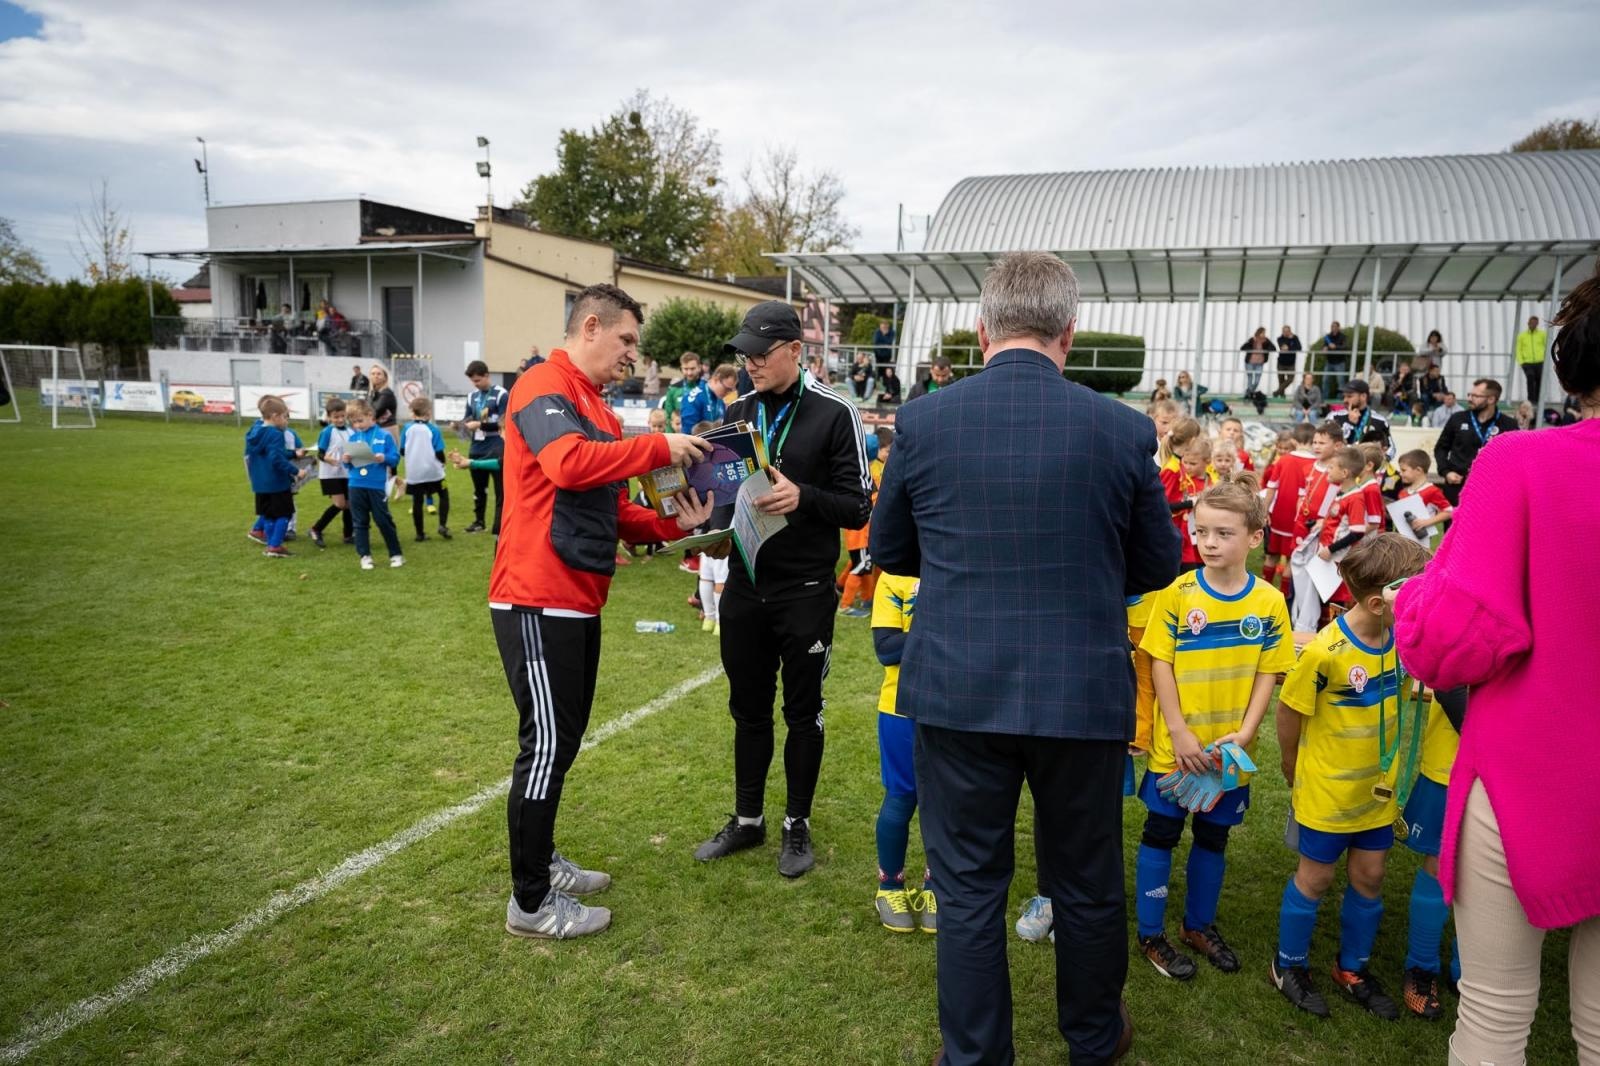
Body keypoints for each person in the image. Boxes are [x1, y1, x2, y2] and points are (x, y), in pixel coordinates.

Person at [871, 251, 1179, 1065]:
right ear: (1068, 334)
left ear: (983, 332)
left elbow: (891, 551)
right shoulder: (1119, 428)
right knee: (1084, 878)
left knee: (970, 886)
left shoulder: (927, 421)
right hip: (1076, 688)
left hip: (961, 686)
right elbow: (1156, 562)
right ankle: (1093, 1037)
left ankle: (980, 1055)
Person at [1393, 270, 1600, 1064]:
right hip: (1539, 772)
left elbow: (1451, 641)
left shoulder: (1523, 461)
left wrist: (1418, 593)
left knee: (1493, 1017)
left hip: (1530, 776)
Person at [492, 284, 715, 941]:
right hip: (536, 595)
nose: (631, 355)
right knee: (544, 747)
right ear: (591, 326)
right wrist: (659, 447)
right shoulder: (542, 384)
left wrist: (677, 525)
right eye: (626, 340)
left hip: (579, 599)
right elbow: (566, 465)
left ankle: (542, 861)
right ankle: (530, 903)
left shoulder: (601, 410)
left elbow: (614, 511)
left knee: (560, 745)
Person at [693, 301, 873, 879]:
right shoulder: (737, 411)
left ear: (796, 350)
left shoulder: (836, 413)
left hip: (805, 589)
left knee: (802, 712)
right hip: (745, 587)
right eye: (743, 354)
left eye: (760, 353)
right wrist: (712, 531)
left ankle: (797, 823)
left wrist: (804, 497)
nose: (750, 363)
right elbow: (725, 494)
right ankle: (748, 819)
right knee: (747, 710)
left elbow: (859, 505)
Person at [1133, 477, 1294, 982]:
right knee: (1161, 832)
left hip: (1227, 752)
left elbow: (1269, 672)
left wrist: (1245, 733)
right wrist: (1179, 730)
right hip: (1176, 748)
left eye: (1223, 533)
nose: (1208, 542)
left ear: (1254, 537)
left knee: (1213, 836)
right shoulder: (1178, 593)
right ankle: (1150, 932)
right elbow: (1159, 662)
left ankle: (1197, 925)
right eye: (1201, 531)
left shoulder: (1269, 601)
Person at [1271, 533, 1431, 1020]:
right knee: (1316, 878)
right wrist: (1291, 764)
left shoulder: (1403, 639)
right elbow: (1289, 711)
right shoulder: (1325, 652)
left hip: (1376, 793)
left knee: (1371, 875)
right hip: (1328, 793)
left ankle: (1352, 967)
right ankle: (1288, 964)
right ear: (1380, 603)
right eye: (1418, 593)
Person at [870, 570, 936, 934]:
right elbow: (886, 649)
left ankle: (936, 886)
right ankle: (890, 886)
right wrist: (942, 627)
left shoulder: (963, 563)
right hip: (900, 708)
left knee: (944, 800)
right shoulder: (893, 578)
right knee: (901, 796)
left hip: (954, 707)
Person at [1287, 423, 1344, 634]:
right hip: (1302, 528)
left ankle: (1308, 625)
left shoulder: (1338, 473)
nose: (1316, 446)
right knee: (1298, 571)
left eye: (1322, 443)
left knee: (1315, 577)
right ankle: (1297, 618)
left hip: (1321, 532)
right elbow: (1303, 496)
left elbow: (1337, 504)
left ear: (1337, 446)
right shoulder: (1309, 467)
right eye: (1314, 442)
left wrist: (1324, 523)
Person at [1432, 378, 1518, 506]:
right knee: (1454, 519)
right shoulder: (1458, 419)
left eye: (1476, 396)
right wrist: (1446, 472)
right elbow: (1441, 448)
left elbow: (1515, 457)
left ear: (1491, 399)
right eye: (1469, 394)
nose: (1469, 399)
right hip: (1457, 485)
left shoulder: (1509, 424)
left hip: (1491, 488)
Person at [341, 399, 404, 570]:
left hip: (376, 485)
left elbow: (395, 458)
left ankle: (396, 554)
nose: (357, 425)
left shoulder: (384, 436)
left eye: (360, 420)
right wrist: (346, 460)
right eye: (354, 422)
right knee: (359, 522)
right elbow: (348, 466)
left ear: (370, 415)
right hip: (356, 484)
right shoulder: (353, 437)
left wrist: (384, 458)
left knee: (383, 520)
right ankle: (365, 556)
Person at [245, 396, 309, 559]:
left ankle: (270, 543)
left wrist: (293, 454)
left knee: (268, 513)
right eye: (285, 417)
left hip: (259, 482)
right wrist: (296, 471)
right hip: (276, 482)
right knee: (284, 514)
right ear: (275, 416)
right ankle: (275, 546)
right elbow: (276, 459)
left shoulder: (255, 430)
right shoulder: (275, 434)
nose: (286, 421)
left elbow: (270, 454)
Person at [1261, 422, 1317, 591]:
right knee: (1293, 559)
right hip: (1300, 520)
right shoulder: (1316, 464)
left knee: (1272, 556)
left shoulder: (1283, 460)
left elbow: (1271, 488)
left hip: (1279, 517)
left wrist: (1264, 511)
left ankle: (1264, 591)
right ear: (1314, 440)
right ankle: (1284, 595)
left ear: (1293, 440)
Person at [461, 360, 508, 536]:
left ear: (487, 375)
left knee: (500, 491)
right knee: (479, 489)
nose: (476, 384)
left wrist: (480, 425)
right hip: (477, 447)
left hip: (497, 446)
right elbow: (467, 417)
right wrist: (461, 424)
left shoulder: (501, 394)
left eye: (478, 380)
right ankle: (479, 521)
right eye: (473, 381)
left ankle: (500, 525)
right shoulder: (471, 396)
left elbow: (504, 423)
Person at [401, 396, 450, 541]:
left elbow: (402, 450)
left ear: (412, 412)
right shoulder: (433, 429)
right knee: (444, 494)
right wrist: (443, 461)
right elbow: (439, 451)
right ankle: (442, 525)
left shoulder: (407, 428)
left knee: (417, 501)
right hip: (434, 472)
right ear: (428, 412)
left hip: (415, 473)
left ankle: (420, 533)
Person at [1161, 436, 1213, 572]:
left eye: (1193, 463)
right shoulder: (1180, 477)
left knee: (1200, 568)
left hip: (1199, 531)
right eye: (1185, 462)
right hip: (1181, 532)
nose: (1187, 467)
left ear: (1207, 461)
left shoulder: (1211, 480)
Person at [309, 397, 354, 548]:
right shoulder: (327, 431)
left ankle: (348, 535)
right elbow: (320, 453)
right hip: (330, 474)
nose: (340, 419)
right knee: (340, 504)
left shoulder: (350, 430)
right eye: (336, 417)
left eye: (342, 416)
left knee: (349, 504)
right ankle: (316, 529)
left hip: (347, 473)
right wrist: (328, 459)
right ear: (329, 417)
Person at [680, 362, 736, 432]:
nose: (728, 393)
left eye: (731, 390)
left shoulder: (719, 397)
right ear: (716, 379)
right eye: (727, 389)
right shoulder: (694, 399)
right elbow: (687, 432)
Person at [1337, 379, 1389, 449]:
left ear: (1363, 396)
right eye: (1344, 396)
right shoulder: (1334, 417)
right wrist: (1351, 424)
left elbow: (1390, 448)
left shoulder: (1380, 421)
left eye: (1349, 396)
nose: (1345, 400)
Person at [658, 351, 703, 430]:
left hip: (700, 434)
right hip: (679, 435)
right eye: (686, 369)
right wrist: (670, 436)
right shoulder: (673, 389)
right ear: (681, 368)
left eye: (692, 369)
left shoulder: (706, 388)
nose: (689, 373)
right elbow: (668, 417)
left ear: (699, 368)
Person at [1515, 314, 1547, 407]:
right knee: (1530, 378)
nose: (1533, 325)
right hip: (1527, 362)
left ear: (1537, 324)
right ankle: (1531, 400)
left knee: (1539, 380)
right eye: (1531, 323)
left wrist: (1545, 359)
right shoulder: (1522, 336)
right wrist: (1521, 362)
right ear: (1528, 323)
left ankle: (1538, 400)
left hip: (1539, 362)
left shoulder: (1542, 334)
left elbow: (1546, 346)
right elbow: (1518, 349)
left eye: (1535, 323)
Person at [1240, 327, 1275, 398]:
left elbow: (1273, 348)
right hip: (1250, 362)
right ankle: (1249, 394)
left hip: (1260, 362)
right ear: (1259, 333)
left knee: (1257, 380)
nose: (1264, 334)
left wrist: (1266, 348)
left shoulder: (1266, 340)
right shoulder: (1252, 339)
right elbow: (1243, 348)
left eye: (1264, 333)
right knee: (1250, 377)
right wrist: (1251, 346)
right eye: (1263, 333)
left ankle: (1249, 392)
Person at [1321, 321, 1349, 394]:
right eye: (1332, 326)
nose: (1333, 328)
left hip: (1340, 362)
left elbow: (1345, 347)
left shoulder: (1343, 337)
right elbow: (1324, 346)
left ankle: (1341, 398)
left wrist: (1335, 347)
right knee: (1325, 380)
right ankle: (1325, 397)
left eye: (1335, 326)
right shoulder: (1328, 337)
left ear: (1338, 328)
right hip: (1329, 362)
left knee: (1340, 381)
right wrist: (1324, 348)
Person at [1275, 325, 1302, 396]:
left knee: (1290, 379)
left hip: (1291, 363)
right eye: (1284, 331)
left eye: (1287, 331)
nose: (1286, 333)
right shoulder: (1280, 339)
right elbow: (1283, 347)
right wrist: (1290, 343)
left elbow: (1299, 348)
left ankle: (1277, 392)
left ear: (1290, 331)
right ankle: (1282, 395)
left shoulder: (1295, 338)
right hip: (1281, 363)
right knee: (1281, 380)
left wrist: (1289, 346)